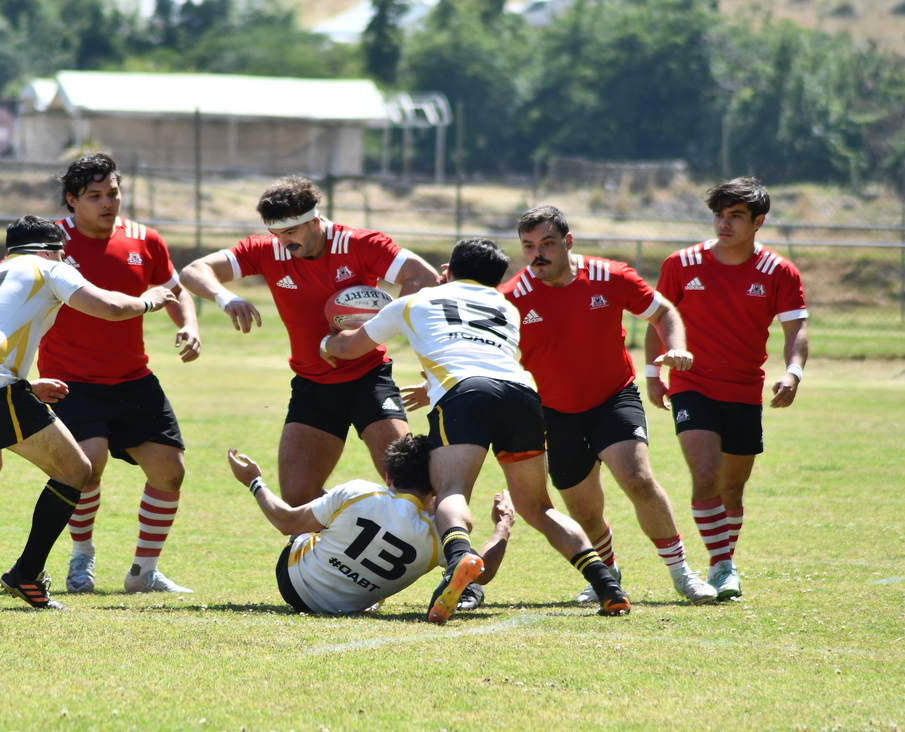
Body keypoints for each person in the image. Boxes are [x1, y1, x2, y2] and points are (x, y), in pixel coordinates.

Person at [322, 238, 629, 623]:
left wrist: (328, 340)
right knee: (538, 507)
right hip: (521, 395)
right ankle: (606, 583)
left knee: (451, 491)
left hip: (464, 394)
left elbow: (350, 348)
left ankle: (458, 562)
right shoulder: (508, 307)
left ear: (447, 272)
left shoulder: (415, 302)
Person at [0, 215, 176, 609]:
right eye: (62, 252)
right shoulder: (49, 267)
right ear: (51, 250)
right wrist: (149, 300)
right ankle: (26, 574)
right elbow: (108, 307)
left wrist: (24, 387)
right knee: (76, 471)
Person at [499, 206, 717, 605]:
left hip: (614, 397)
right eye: (528, 246)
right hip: (556, 412)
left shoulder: (611, 276)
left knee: (636, 478)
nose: (537, 254)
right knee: (584, 509)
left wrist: (677, 348)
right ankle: (607, 573)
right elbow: (481, 346)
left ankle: (683, 573)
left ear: (568, 242)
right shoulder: (512, 298)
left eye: (547, 243)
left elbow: (663, 311)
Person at [180, 176, 440, 507]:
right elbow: (193, 270)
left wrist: (373, 331)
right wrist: (226, 298)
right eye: (276, 233)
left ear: (315, 221)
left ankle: (456, 551)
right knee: (298, 497)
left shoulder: (359, 244)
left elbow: (424, 277)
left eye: (291, 232)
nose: (283, 242)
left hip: (369, 380)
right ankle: (364, 523)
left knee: (410, 485)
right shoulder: (266, 250)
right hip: (312, 386)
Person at [38, 153, 202, 595]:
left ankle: (143, 573)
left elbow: (172, 289)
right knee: (88, 466)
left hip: (132, 378)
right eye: (94, 196)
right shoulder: (49, 242)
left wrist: (188, 324)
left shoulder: (145, 240)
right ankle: (81, 560)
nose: (107, 202)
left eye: (113, 193)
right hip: (69, 378)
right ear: (72, 200)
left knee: (170, 470)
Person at [646, 177, 808, 601]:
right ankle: (723, 566)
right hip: (691, 384)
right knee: (705, 475)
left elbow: (796, 328)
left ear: (759, 222)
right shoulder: (681, 263)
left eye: (736, 216)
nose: (724, 223)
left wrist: (793, 372)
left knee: (732, 489)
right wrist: (651, 374)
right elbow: (658, 320)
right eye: (720, 215)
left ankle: (721, 561)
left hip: (744, 389)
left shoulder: (779, 271)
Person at [226, 435, 515, 615]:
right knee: (468, 579)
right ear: (436, 488)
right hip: (346, 608)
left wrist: (253, 481)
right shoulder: (438, 535)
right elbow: (481, 570)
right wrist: (503, 525)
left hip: (293, 583)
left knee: (331, 513)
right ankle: (466, 594)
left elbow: (287, 521)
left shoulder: (359, 491)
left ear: (389, 476)